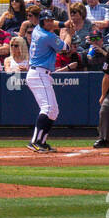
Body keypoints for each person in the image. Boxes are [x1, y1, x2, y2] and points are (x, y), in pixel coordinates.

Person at [25, 10, 68, 152]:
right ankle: (35, 142)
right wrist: (69, 33)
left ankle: (42, 142)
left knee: (53, 111)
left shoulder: (38, 29)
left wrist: (64, 24)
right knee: (48, 108)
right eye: (47, 20)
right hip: (39, 74)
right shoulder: (47, 36)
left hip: (40, 73)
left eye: (51, 20)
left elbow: (53, 24)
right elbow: (65, 48)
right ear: (42, 21)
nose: (50, 22)